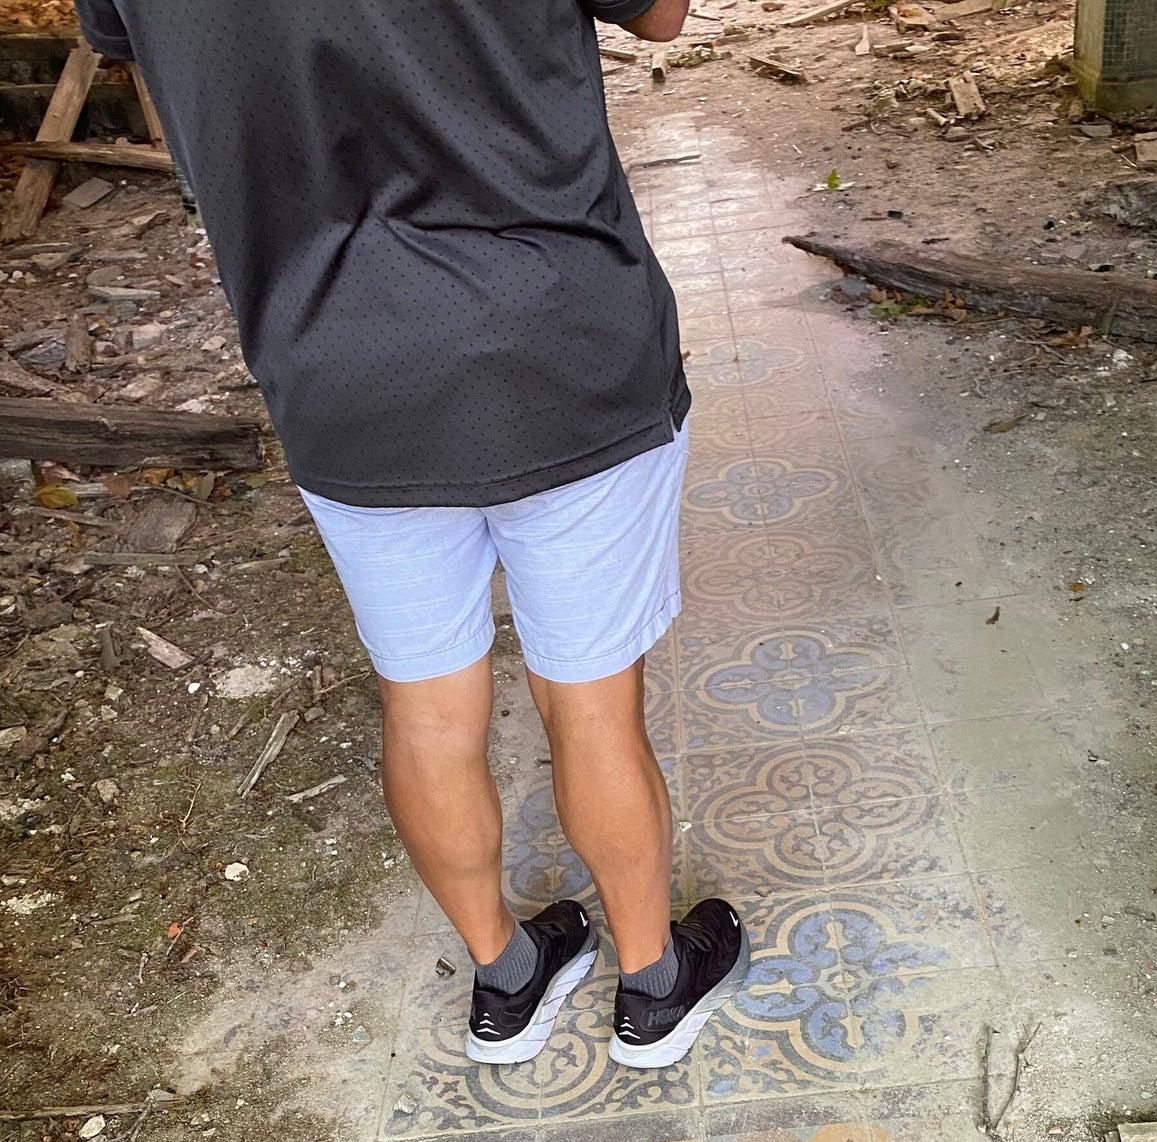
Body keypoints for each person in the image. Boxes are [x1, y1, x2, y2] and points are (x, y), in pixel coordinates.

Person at [74, 0, 749, 1070]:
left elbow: (146, 55)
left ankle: (505, 974)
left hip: (335, 358)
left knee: (427, 706)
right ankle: (652, 982)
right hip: (559, 344)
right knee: (590, 700)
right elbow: (661, 16)